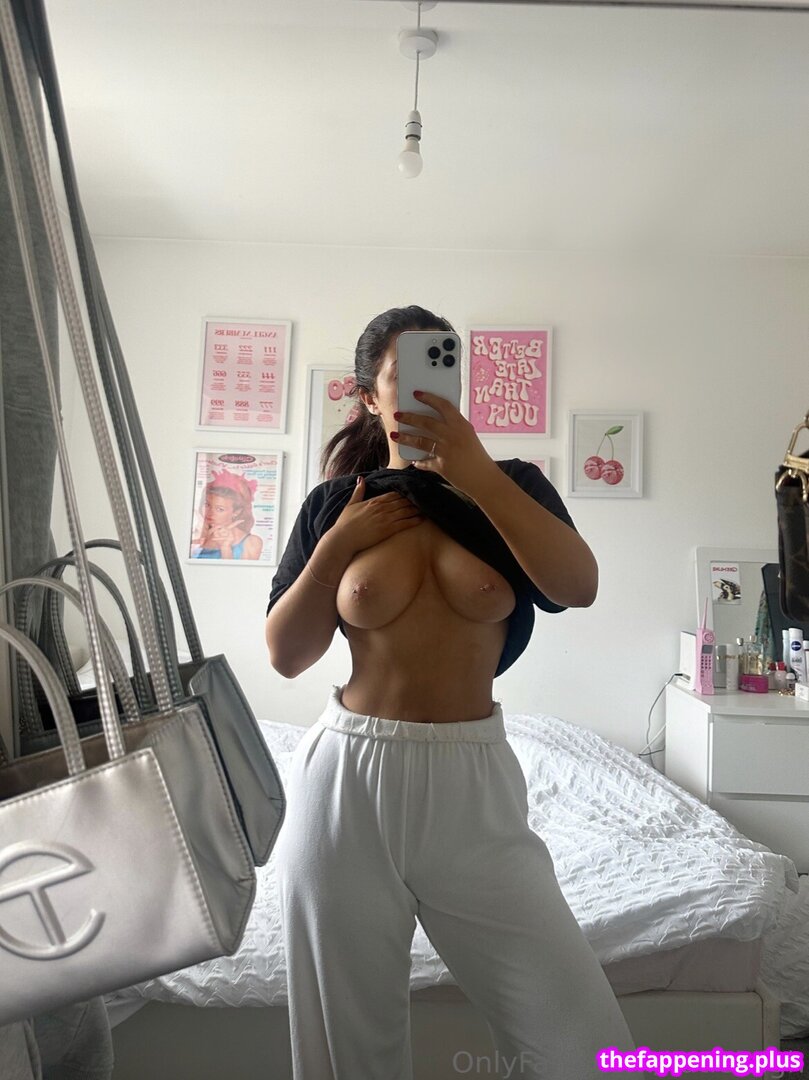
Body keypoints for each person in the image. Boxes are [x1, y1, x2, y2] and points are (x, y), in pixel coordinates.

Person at [265, 306, 645, 1080]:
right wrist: (338, 545)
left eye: (445, 371)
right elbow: (286, 655)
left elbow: (576, 586)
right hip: (346, 782)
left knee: (584, 1045)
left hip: (472, 783)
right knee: (346, 1056)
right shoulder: (335, 504)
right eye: (403, 377)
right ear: (367, 396)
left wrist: (472, 473)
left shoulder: (512, 487)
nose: (430, 391)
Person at [191, 468, 263, 560]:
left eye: (220, 509)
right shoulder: (195, 535)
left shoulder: (251, 542)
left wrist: (225, 548)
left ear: (236, 512)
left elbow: (241, 570)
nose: (210, 513)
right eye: (207, 505)